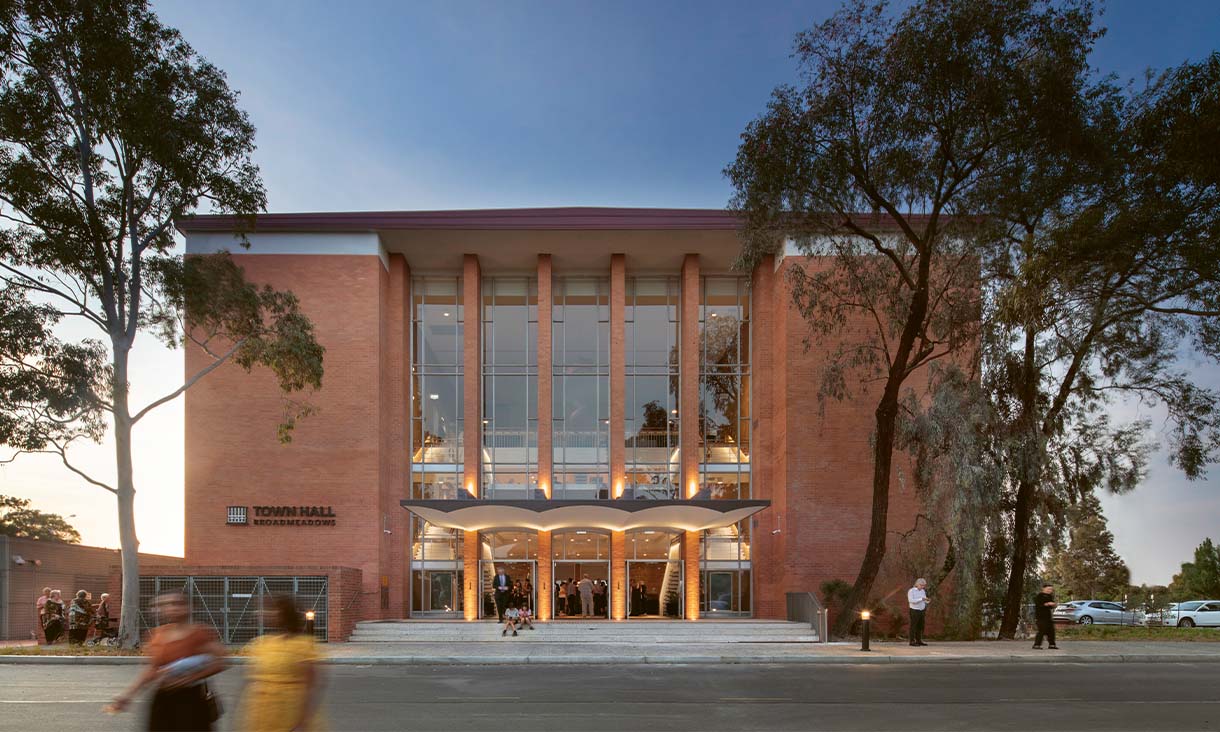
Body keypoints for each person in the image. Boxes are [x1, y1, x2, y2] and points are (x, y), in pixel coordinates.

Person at [106, 591, 227, 731]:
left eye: (178, 603)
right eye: (166, 604)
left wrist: (190, 679)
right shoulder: (157, 634)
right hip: (163, 698)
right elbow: (152, 669)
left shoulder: (200, 632)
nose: (172, 608)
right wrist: (127, 695)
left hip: (192, 699)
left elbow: (220, 662)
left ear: (190, 607)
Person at [239, 595, 326, 731]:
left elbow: (312, 686)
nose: (267, 614)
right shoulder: (262, 643)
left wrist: (303, 721)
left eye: (273, 610)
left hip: (290, 710)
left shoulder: (303, 645)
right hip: (262, 712)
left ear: (285, 615)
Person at [1032, 582, 1060, 650]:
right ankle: (1036, 645)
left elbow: (1051, 606)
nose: (1050, 591)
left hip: (1048, 616)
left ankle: (1052, 644)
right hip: (1040, 616)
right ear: (1043, 589)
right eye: (1048, 589)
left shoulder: (1050, 596)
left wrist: (1053, 605)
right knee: (1041, 630)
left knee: (1051, 630)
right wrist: (1047, 604)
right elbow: (1039, 605)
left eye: (1051, 589)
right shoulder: (1039, 596)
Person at [907, 578, 929, 646]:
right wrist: (921, 599)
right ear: (917, 584)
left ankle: (919, 640)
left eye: (924, 586)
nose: (923, 587)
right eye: (921, 585)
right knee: (914, 626)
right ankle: (912, 641)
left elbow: (924, 599)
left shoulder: (923, 591)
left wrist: (926, 601)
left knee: (920, 626)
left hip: (921, 610)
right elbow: (911, 600)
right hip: (914, 610)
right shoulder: (911, 591)